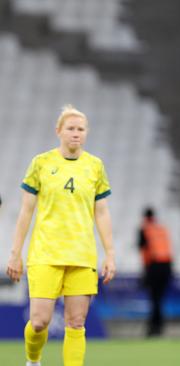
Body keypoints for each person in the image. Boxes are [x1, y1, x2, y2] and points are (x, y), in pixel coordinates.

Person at [6, 104, 116, 366]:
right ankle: (33, 360)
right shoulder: (41, 163)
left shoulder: (95, 166)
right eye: (70, 128)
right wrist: (15, 253)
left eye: (81, 129)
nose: (76, 133)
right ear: (59, 131)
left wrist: (110, 253)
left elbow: (101, 213)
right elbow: (26, 211)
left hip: (82, 257)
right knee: (39, 321)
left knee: (76, 323)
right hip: (46, 254)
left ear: (86, 133)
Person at [138, 207, 173, 336]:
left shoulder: (144, 229)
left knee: (154, 298)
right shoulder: (161, 229)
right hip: (167, 266)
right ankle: (158, 325)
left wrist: (145, 272)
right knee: (160, 298)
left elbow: (142, 250)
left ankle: (154, 327)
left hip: (153, 267)